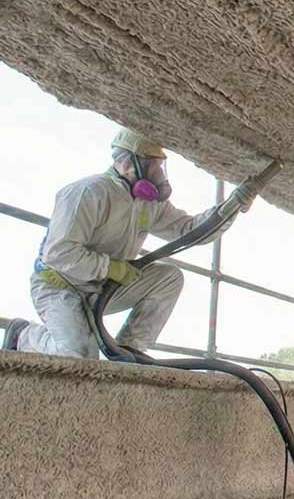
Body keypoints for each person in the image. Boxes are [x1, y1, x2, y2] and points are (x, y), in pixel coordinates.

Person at [2, 129, 253, 358]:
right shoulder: (87, 193)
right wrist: (111, 268)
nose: (159, 174)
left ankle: (129, 349)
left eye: (160, 166)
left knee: (169, 277)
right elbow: (59, 254)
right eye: (152, 165)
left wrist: (231, 208)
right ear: (125, 162)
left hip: (104, 286)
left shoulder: (149, 204)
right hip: (61, 286)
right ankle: (22, 334)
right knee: (78, 355)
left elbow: (190, 231)